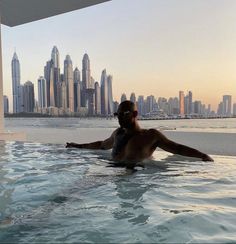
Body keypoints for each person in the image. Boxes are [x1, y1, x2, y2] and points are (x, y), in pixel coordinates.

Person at [66, 100, 213, 165]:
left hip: (133, 174)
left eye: (125, 113)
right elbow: (102, 145)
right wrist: (77, 146)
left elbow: (177, 148)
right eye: (118, 114)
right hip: (112, 169)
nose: (120, 118)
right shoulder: (118, 133)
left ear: (135, 114)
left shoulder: (150, 135)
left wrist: (202, 155)